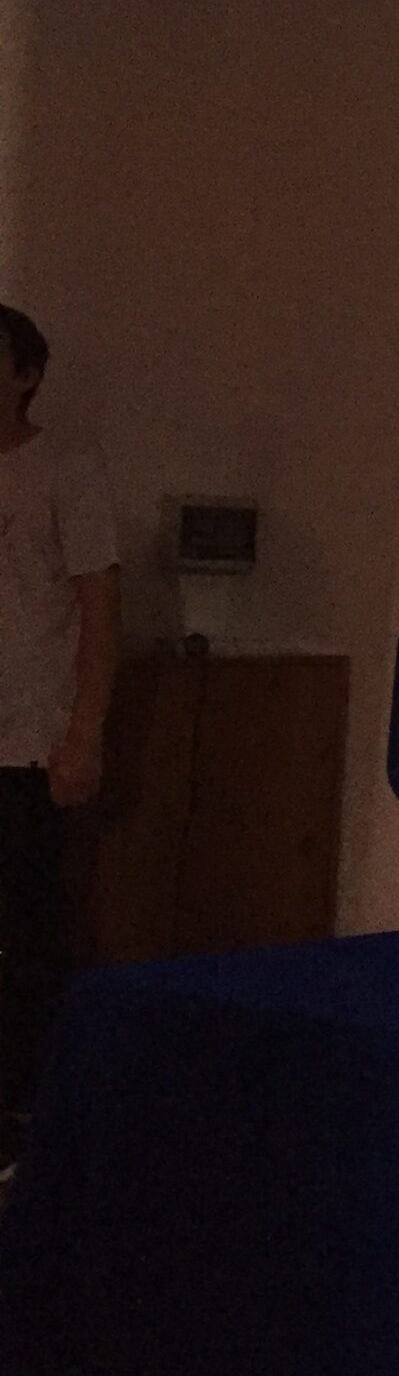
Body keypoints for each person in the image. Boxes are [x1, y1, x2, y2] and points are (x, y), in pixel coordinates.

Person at [0, 306, 119, 1144]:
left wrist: (86, 732)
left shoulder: (65, 470)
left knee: (26, 924)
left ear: (27, 376)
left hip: (27, 737)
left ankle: (25, 1104)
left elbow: (101, 609)